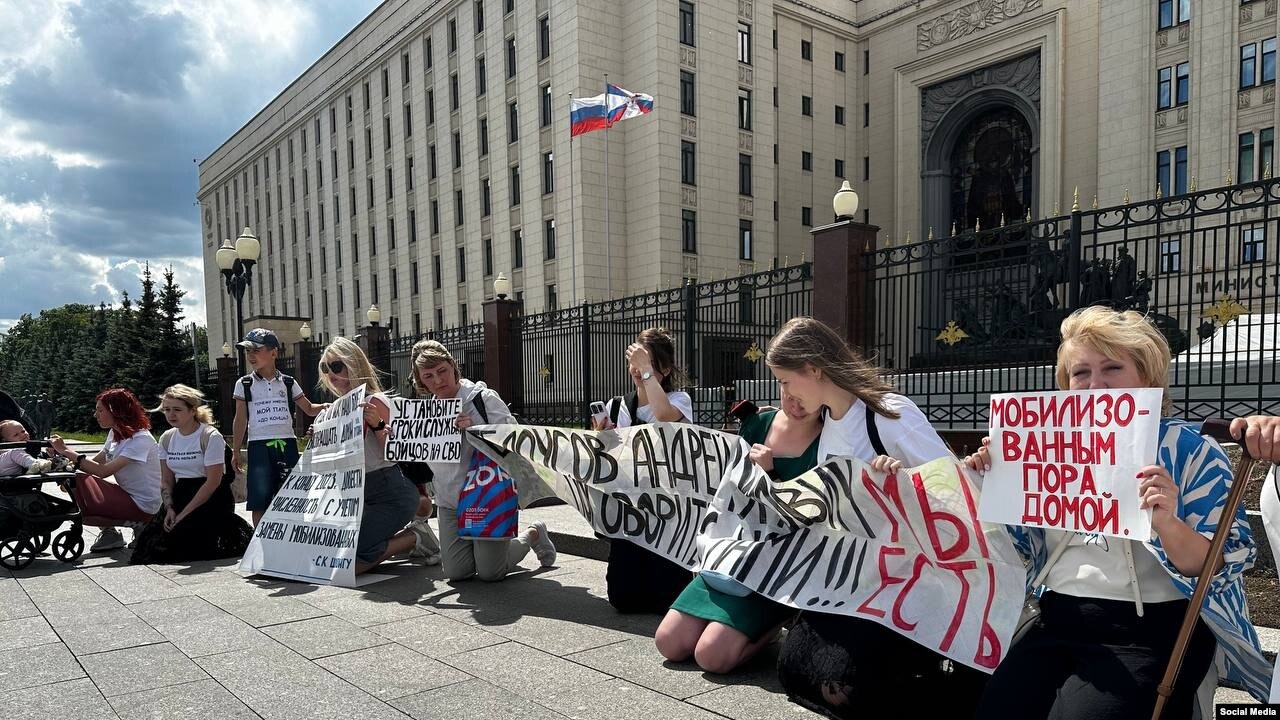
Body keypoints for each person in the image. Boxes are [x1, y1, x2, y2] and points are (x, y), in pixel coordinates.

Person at [963, 307, 1271, 718]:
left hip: (1151, 630)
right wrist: (988, 477)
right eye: (1080, 373)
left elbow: (1212, 566)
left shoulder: (1190, 449)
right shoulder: (1043, 446)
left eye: (1112, 367)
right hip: (1056, 619)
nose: (1094, 385)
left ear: (1148, 378)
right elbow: (1013, 546)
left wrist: (1166, 521)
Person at [764, 317, 988, 718]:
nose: (785, 393)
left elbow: (954, 489)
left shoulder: (887, 413)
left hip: (907, 579)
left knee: (844, 688)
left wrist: (902, 484)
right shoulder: (826, 422)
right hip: (857, 577)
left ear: (813, 369)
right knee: (793, 668)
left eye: (785, 380)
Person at [655, 387, 819, 673]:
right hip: (732, 556)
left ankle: (773, 624)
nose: (796, 402)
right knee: (669, 643)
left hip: (776, 569)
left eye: (805, 390)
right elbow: (728, 494)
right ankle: (737, 628)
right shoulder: (757, 423)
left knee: (711, 657)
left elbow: (812, 516)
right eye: (787, 389)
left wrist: (770, 475)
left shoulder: (830, 437)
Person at [412, 340, 556, 581]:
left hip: (486, 496)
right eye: (428, 376)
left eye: (442, 371)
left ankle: (533, 533)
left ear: (453, 367)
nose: (437, 381)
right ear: (420, 381)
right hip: (449, 501)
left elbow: (513, 437)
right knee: (457, 573)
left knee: (491, 573)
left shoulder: (482, 398)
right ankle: (480, 549)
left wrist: (476, 430)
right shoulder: (427, 415)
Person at [591, 327, 696, 613]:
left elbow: (663, 418)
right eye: (635, 363)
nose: (638, 370)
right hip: (629, 510)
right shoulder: (616, 406)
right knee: (623, 599)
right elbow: (607, 457)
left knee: (668, 599)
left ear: (664, 367)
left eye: (646, 363)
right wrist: (603, 437)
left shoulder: (678, 401)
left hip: (667, 509)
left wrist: (647, 370)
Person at [316, 337, 422, 575]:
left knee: (349, 566)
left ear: (354, 364)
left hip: (390, 491)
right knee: (333, 558)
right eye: (326, 368)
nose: (331, 374)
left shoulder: (374, 401)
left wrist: (378, 425)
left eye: (336, 366)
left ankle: (416, 537)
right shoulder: (332, 411)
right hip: (355, 496)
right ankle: (399, 540)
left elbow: (399, 452)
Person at [130, 385, 252, 564]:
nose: (171, 415)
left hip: (211, 496)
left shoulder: (210, 436)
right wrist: (170, 508)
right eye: (167, 410)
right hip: (181, 493)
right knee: (151, 549)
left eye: (177, 410)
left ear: (192, 410)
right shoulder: (167, 438)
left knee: (193, 546)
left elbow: (213, 482)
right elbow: (166, 479)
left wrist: (183, 514)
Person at [48, 389, 163, 553]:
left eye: (100, 410)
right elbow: (94, 463)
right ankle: (111, 533)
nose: (96, 414)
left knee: (79, 485)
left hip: (144, 503)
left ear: (117, 411)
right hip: (128, 495)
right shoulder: (115, 433)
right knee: (75, 481)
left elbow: (103, 471)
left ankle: (143, 524)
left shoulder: (140, 439)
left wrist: (66, 450)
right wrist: (64, 461)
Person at [230, 328, 324, 527]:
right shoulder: (244, 383)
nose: (250, 355)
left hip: (287, 445)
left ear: (274, 352)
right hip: (258, 446)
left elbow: (308, 408)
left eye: (256, 350)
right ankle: (261, 544)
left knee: (293, 495)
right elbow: (240, 418)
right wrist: (236, 449)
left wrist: (327, 406)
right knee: (259, 499)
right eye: (247, 351)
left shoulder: (288, 382)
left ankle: (291, 540)